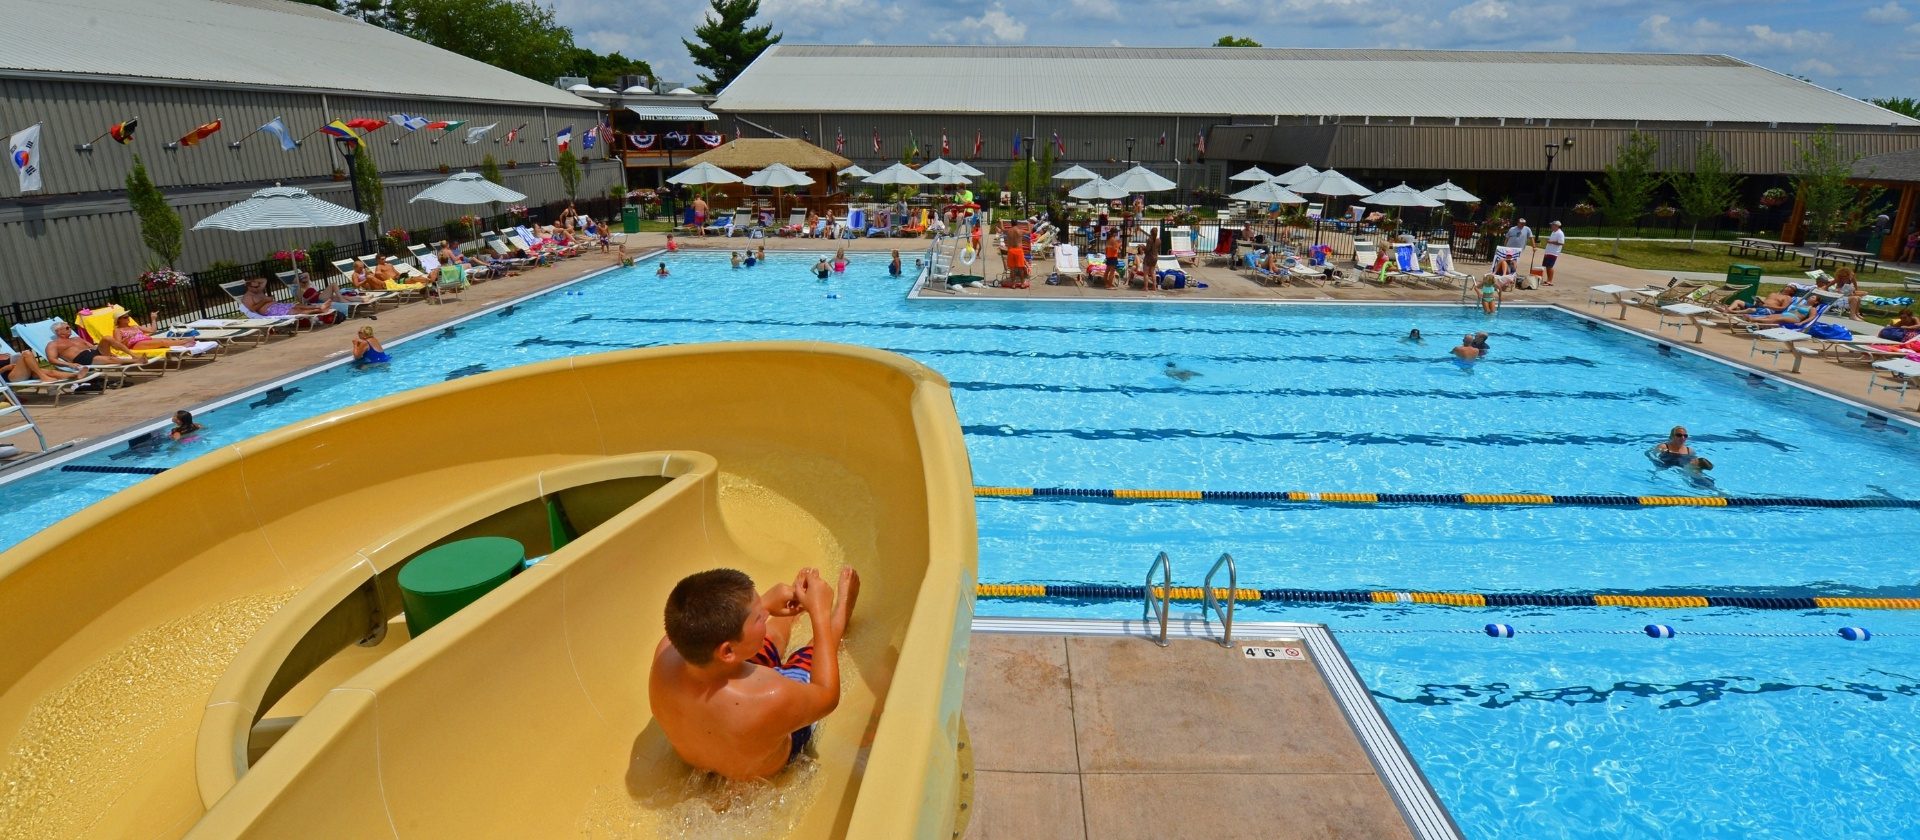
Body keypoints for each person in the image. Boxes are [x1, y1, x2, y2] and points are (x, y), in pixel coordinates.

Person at [649, 566, 859, 780]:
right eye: (760, 617)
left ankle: (788, 612)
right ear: (728, 651)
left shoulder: (666, 653)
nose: (767, 614)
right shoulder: (771, 695)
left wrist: (765, 603)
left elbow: (732, 642)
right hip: (761, 755)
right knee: (808, 658)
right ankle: (841, 611)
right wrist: (819, 614)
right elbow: (826, 694)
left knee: (765, 640)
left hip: (706, 756)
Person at [44, 321, 140, 369]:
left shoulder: (77, 338)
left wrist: (108, 351)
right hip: (82, 358)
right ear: (58, 331)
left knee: (107, 338)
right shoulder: (53, 344)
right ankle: (137, 361)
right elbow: (52, 359)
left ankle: (133, 355)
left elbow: (92, 346)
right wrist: (69, 364)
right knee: (109, 360)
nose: (70, 329)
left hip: (95, 352)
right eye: (67, 328)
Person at [114, 311, 219, 355]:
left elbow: (152, 331)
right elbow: (118, 345)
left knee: (167, 340)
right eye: (125, 317)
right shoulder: (118, 330)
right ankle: (186, 341)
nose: (128, 318)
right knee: (162, 341)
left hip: (145, 340)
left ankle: (184, 344)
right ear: (119, 320)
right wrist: (129, 338)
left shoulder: (135, 326)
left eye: (128, 316)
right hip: (134, 345)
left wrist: (153, 319)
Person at [1, 347, 84, 384]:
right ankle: (43, 377)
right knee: (26, 353)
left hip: (21, 372)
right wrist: (5, 368)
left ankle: (75, 375)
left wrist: (16, 364)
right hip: (11, 377)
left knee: (51, 372)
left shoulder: (7, 354)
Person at [1542, 220, 1565, 286]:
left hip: (1553, 252)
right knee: (1547, 266)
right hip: (1549, 251)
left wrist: (1551, 242)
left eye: (1552, 225)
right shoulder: (1553, 232)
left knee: (1550, 266)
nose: (1551, 226)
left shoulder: (1560, 233)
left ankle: (1550, 281)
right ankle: (1548, 279)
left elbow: (1561, 243)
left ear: (1556, 226)